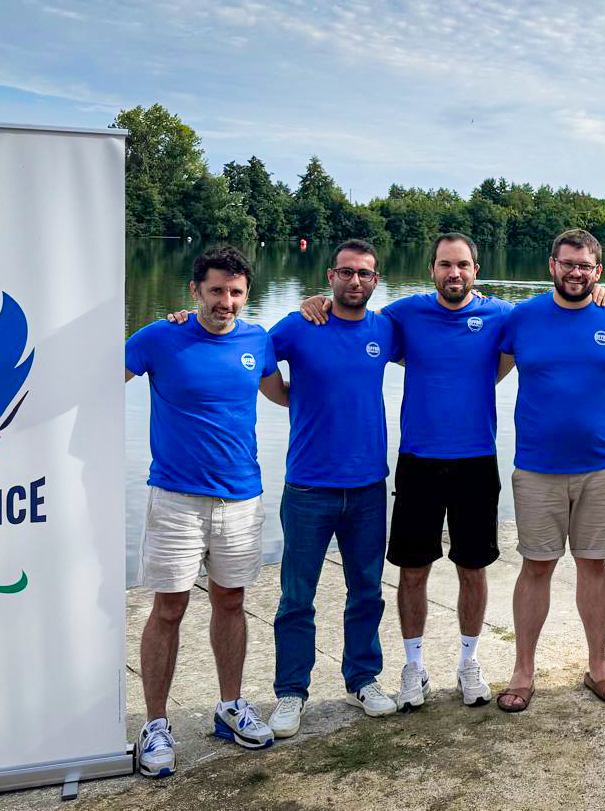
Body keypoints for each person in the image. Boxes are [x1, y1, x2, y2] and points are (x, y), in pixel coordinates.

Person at [301, 233, 515, 710]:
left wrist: (600, 294)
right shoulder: (404, 314)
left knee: (473, 568)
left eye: (462, 265)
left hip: (476, 459)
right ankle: (414, 666)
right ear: (431, 269)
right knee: (413, 569)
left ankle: (468, 662)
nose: (454, 273)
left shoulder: (502, 315)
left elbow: (545, 325)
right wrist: (315, 301)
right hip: (418, 461)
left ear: (476, 271)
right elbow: (353, 317)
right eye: (445, 264)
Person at [124, 246, 288, 777]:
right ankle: (154, 724)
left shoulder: (257, 340)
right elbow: (98, 382)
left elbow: (283, 395)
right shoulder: (159, 337)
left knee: (231, 601)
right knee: (168, 608)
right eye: (216, 290)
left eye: (236, 292)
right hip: (176, 499)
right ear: (195, 290)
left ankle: (230, 706)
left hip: (242, 497)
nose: (226, 302)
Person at [496, 229, 605, 712]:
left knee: (594, 563)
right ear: (552, 266)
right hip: (536, 467)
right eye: (568, 263)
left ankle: (598, 665)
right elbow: (481, 370)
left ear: (598, 271)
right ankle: (523, 670)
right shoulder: (522, 317)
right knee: (536, 565)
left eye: (585, 266)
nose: (576, 272)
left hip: (600, 465)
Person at [263, 239, 401, 739]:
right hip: (308, 487)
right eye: (346, 272)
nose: (355, 281)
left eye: (364, 273)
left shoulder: (385, 329)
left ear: (376, 280)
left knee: (366, 591)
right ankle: (291, 691)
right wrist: (290, 398)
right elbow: (253, 355)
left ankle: (362, 679)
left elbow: (443, 331)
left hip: (367, 487)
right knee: (297, 596)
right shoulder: (300, 325)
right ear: (330, 276)